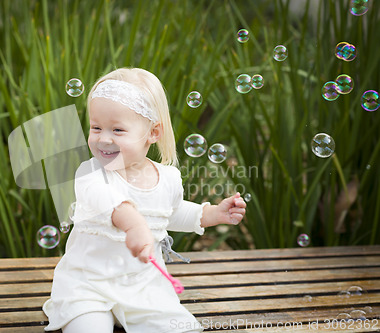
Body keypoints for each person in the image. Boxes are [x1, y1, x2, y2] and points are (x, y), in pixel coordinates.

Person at [43, 67, 246, 333]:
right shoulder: (91, 173)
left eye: (117, 129)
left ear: (153, 133)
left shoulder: (168, 177)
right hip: (88, 285)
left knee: (180, 328)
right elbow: (111, 204)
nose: (104, 138)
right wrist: (135, 225)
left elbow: (170, 213)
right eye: (96, 127)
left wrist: (211, 214)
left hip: (143, 286)